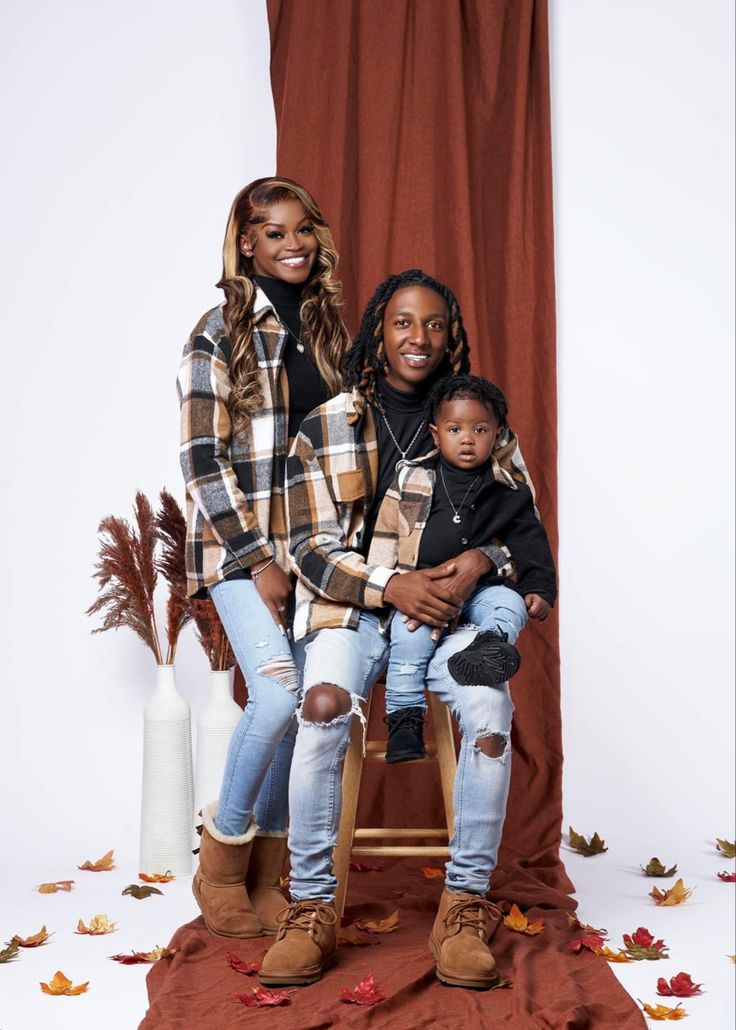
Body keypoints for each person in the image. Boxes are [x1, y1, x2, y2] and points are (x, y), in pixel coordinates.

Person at [259, 269, 536, 990]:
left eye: (436, 324)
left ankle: (464, 904)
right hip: (352, 612)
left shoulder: (480, 420)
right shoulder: (329, 424)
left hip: (448, 616)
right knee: (320, 708)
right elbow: (311, 548)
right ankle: (313, 907)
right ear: (379, 330)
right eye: (405, 322)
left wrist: (483, 558)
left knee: (489, 714)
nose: (420, 337)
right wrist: (391, 584)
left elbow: (523, 525)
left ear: (454, 338)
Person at [177, 177, 349, 939]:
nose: (293, 245)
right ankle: (220, 862)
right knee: (276, 697)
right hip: (235, 546)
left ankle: (267, 869)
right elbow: (200, 461)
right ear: (246, 244)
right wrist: (256, 559)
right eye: (274, 233)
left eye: (302, 229)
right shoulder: (217, 331)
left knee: (307, 706)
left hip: (315, 549)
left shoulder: (329, 332)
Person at [376, 373, 556, 763]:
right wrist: (387, 586)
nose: (468, 438)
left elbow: (531, 542)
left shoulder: (508, 490)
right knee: (409, 640)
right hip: (425, 589)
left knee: (508, 604)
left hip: (482, 588)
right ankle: (404, 719)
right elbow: (386, 536)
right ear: (436, 434)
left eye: (480, 429)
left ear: (498, 434)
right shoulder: (411, 479)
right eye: (455, 429)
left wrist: (540, 588)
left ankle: (487, 648)